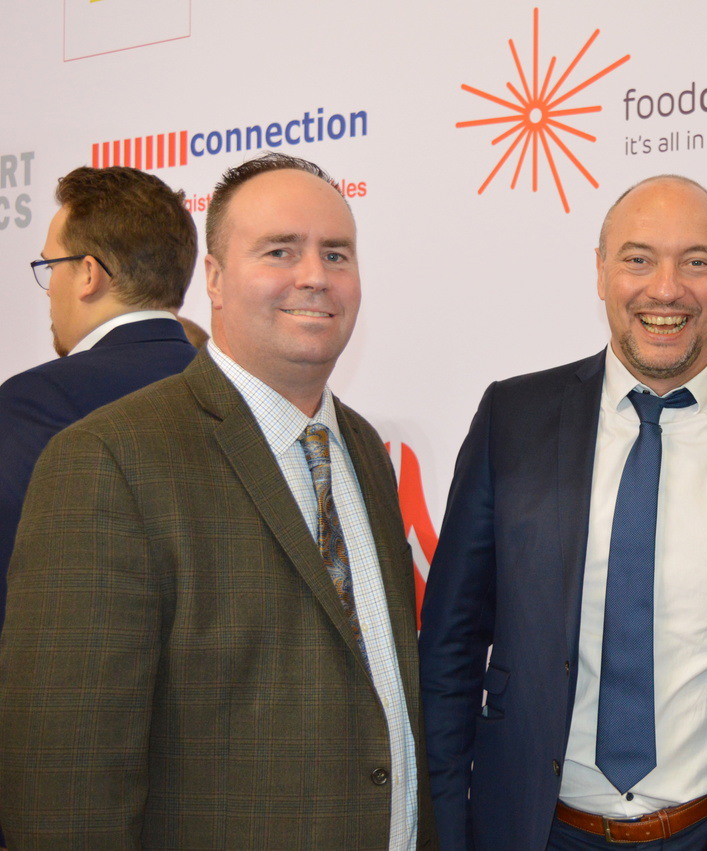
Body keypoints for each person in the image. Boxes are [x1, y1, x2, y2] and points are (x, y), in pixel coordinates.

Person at [0, 153, 433, 848]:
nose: (315, 275)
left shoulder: (365, 453)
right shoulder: (108, 460)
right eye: (279, 250)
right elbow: (67, 786)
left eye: (336, 253)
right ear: (215, 278)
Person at [419, 175, 707, 850]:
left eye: (696, 262)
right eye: (638, 259)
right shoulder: (513, 420)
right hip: (540, 832)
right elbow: (449, 653)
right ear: (601, 270)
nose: (665, 289)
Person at [0, 165, 198, 629]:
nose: (49, 289)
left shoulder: (37, 401)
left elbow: (15, 595)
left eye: (51, 267)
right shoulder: (238, 391)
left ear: (88, 274)